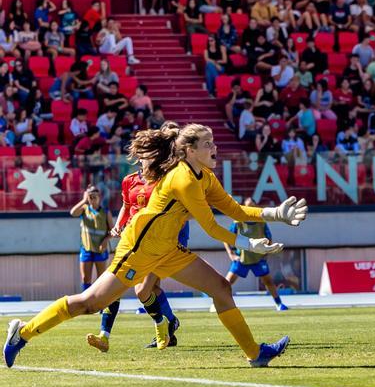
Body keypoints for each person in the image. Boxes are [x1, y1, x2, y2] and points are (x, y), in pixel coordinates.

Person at [4, 123, 308, 368]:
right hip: (140, 249)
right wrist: (247, 242)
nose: (215, 147)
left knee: (221, 288)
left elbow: (236, 211)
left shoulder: (205, 177)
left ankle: (255, 354)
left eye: (213, 141)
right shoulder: (183, 179)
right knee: (89, 303)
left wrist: (275, 213)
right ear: (190, 150)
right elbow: (212, 227)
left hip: (167, 250)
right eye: (208, 143)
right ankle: (24, 332)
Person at [86, 155, 190, 352]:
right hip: (133, 242)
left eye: (151, 155)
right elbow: (127, 206)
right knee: (124, 287)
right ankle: (105, 335)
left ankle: (167, 324)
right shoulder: (129, 180)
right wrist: (117, 226)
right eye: (143, 156)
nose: (146, 159)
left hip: (160, 244)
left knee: (144, 290)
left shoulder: (166, 179)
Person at [223, 198, 289, 311]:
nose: (250, 208)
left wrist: (267, 251)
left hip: (258, 259)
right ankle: (218, 304)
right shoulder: (238, 221)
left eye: (252, 205)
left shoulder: (261, 222)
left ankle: (279, 304)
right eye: (248, 206)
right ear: (244, 207)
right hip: (242, 258)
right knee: (226, 283)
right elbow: (225, 237)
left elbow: (269, 237)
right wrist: (231, 254)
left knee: (268, 281)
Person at [70, 186, 113, 292]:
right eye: (90, 196)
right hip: (86, 249)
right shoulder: (84, 209)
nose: (93, 198)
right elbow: (72, 212)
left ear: (99, 197)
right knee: (85, 278)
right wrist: (84, 200)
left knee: (101, 279)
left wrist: (105, 240)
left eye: (95, 195)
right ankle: (87, 304)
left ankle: (100, 304)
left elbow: (112, 231)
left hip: (100, 250)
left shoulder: (105, 212)